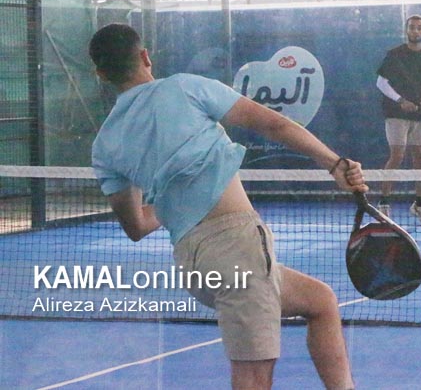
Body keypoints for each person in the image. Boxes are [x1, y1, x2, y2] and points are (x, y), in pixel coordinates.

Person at [89, 23, 365, 390]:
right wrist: (333, 163)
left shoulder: (104, 145)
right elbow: (275, 125)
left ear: (101, 74)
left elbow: (137, 225)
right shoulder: (185, 87)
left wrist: (173, 197)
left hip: (194, 263)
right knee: (253, 377)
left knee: (321, 301)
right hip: (237, 249)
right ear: (145, 56)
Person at [375, 14, 421, 226]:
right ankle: (384, 205)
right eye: (412, 27)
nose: (416, 31)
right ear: (406, 30)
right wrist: (401, 100)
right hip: (395, 113)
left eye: (419, 28)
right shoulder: (394, 55)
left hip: (418, 115)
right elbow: (381, 83)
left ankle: (420, 204)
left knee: (420, 158)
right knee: (397, 155)